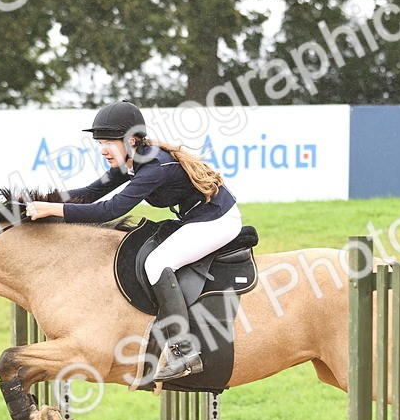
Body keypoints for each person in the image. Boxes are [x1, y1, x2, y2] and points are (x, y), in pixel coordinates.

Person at [25, 100, 242, 382]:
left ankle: (184, 351)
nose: (102, 149)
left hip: (217, 221)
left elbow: (111, 210)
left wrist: (54, 211)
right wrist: (41, 202)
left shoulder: (153, 167)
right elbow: (90, 193)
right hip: (196, 218)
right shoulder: (131, 161)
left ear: (132, 140)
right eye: (100, 142)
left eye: (108, 142)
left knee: (157, 263)